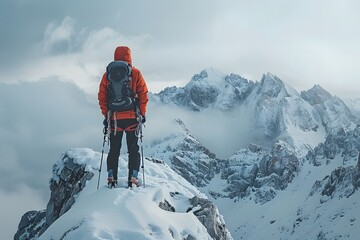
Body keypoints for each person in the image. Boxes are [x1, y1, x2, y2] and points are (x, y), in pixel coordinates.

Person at [98, 46, 148, 188]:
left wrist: (106, 114)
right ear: (129, 56)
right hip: (132, 119)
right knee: (133, 149)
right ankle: (133, 177)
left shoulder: (107, 75)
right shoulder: (136, 73)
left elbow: (102, 96)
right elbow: (143, 95)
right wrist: (142, 114)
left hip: (114, 119)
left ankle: (111, 178)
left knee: (114, 150)